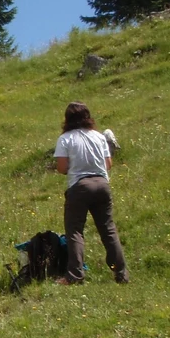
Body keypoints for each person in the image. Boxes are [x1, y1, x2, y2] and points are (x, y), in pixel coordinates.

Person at [53, 102, 129, 285]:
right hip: (102, 184)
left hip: (79, 187)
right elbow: (108, 164)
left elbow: (61, 168)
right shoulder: (98, 137)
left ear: (67, 119)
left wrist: (76, 166)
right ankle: (121, 273)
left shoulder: (65, 139)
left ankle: (75, 275)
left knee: (75, 231)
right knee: (108, 229)